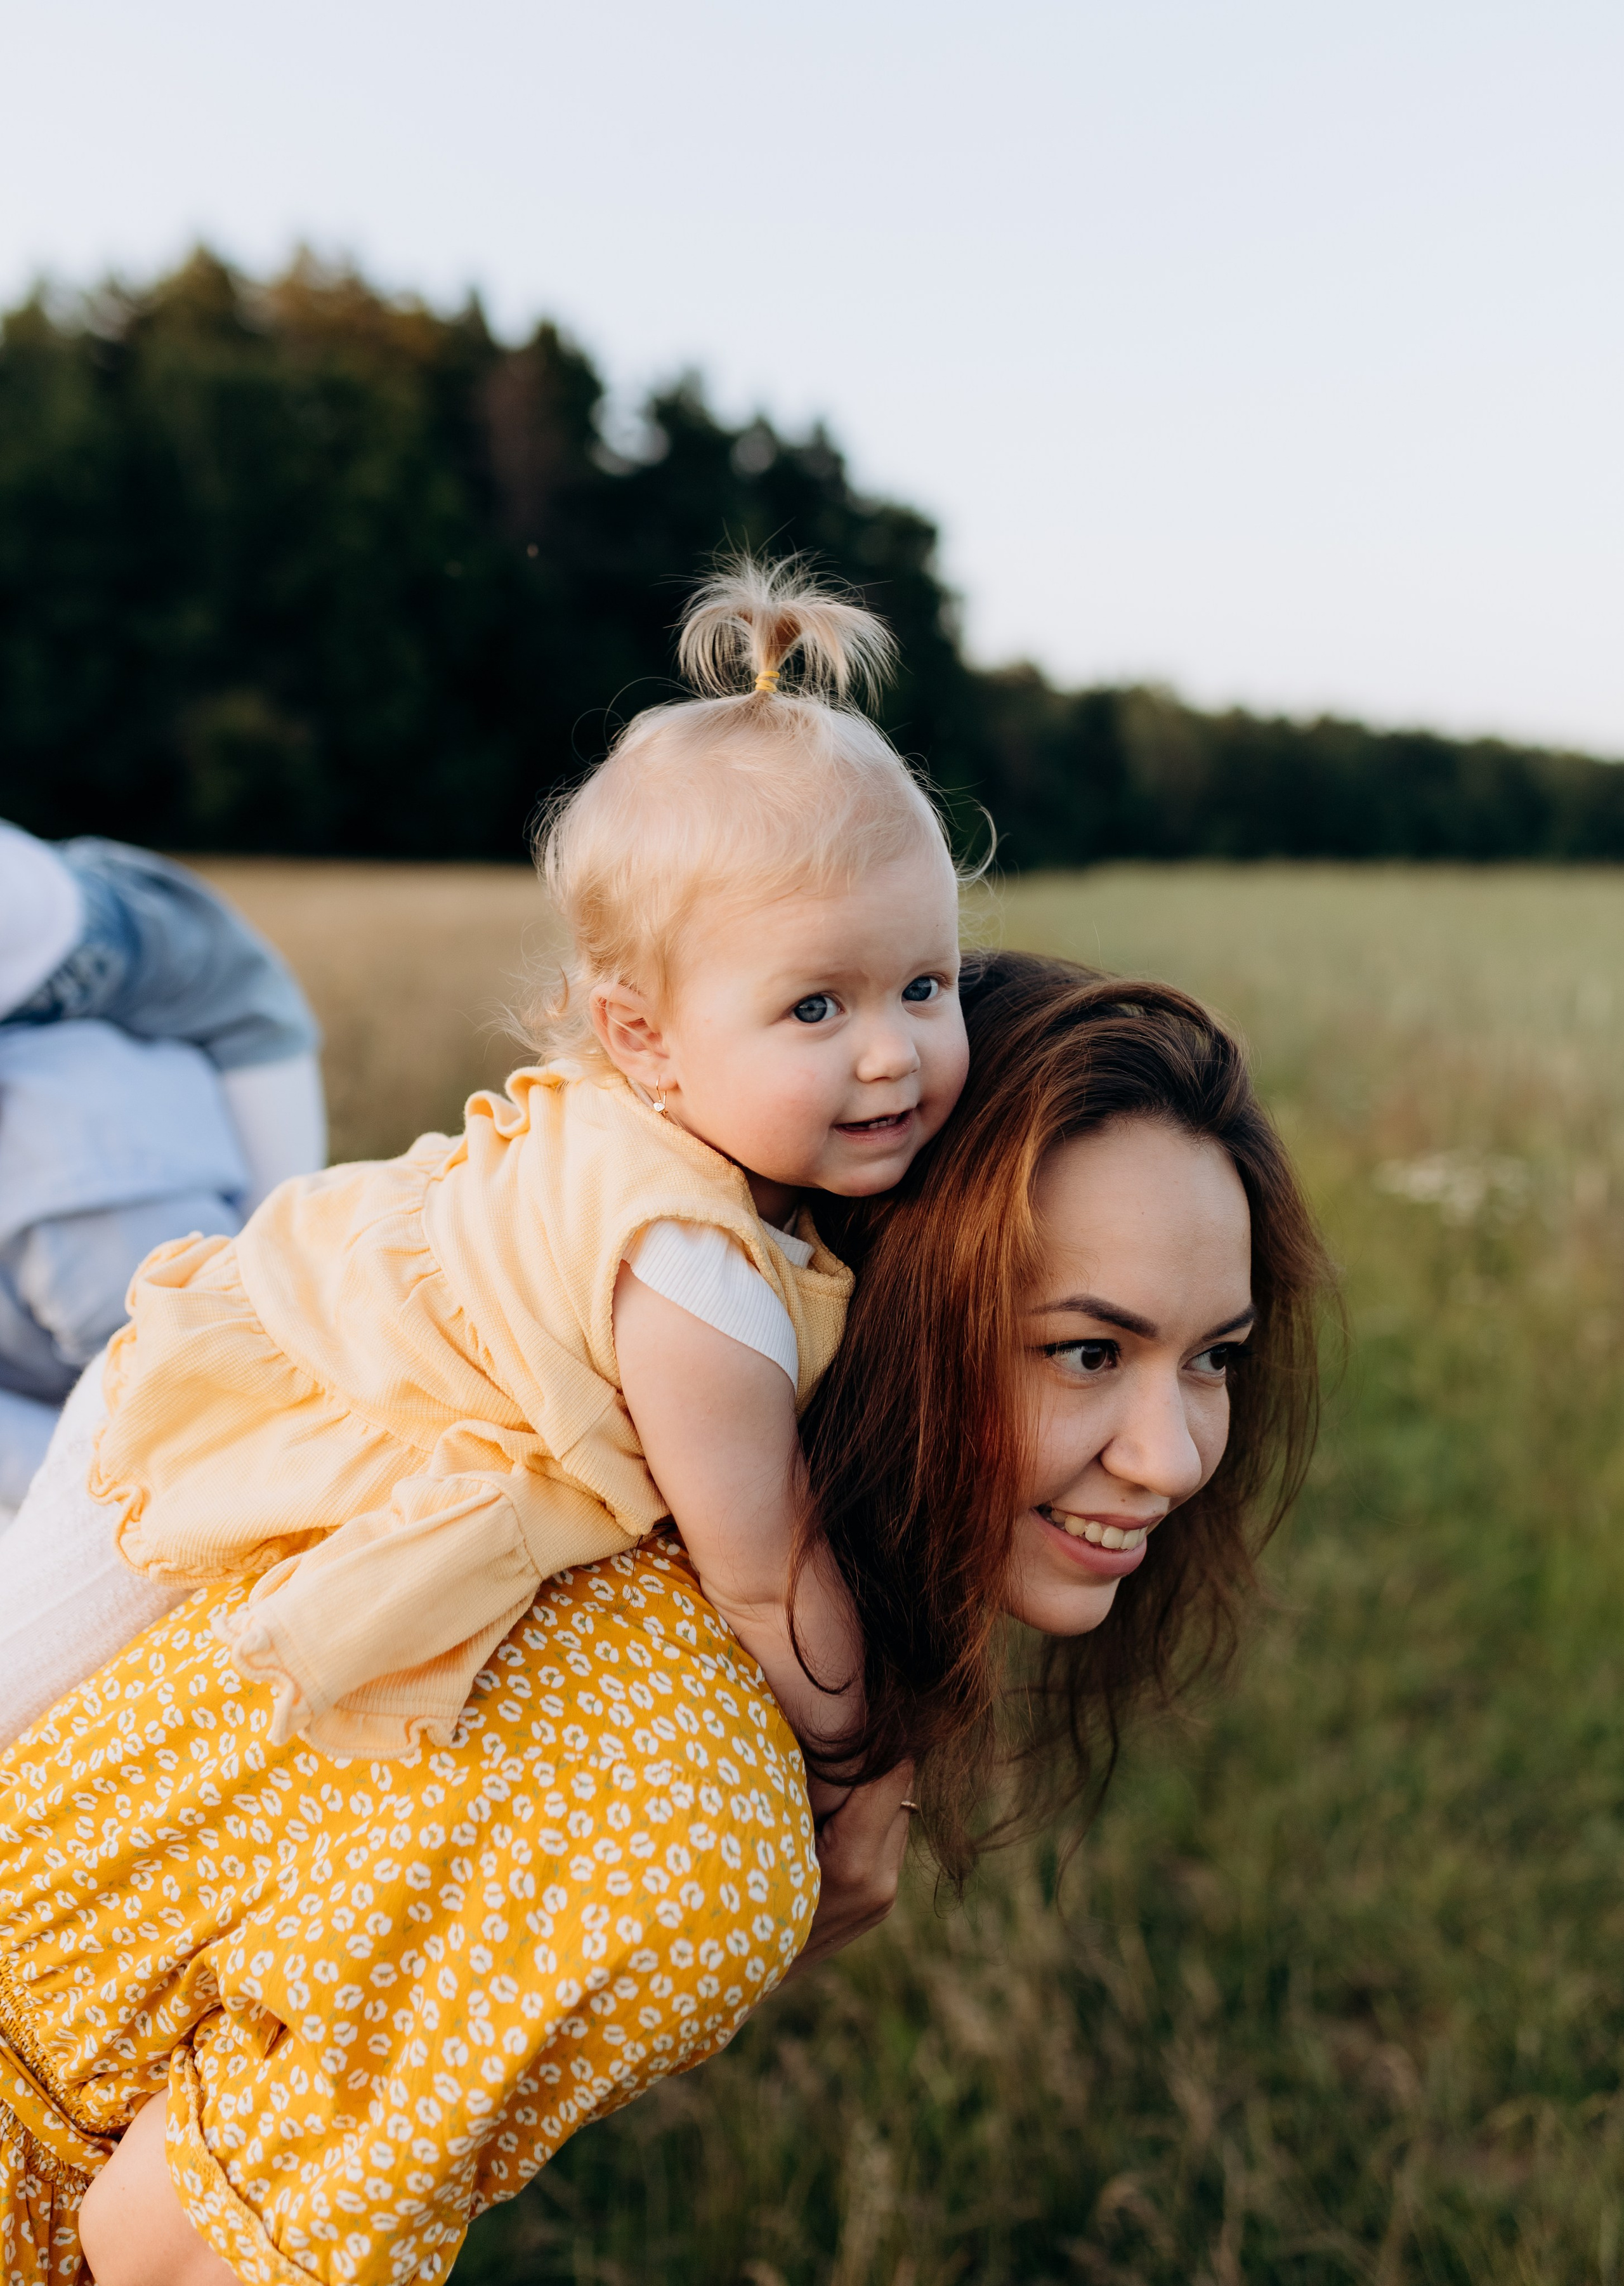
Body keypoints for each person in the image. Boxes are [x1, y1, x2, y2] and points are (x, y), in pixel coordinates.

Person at [0, 950, 1333, 2285]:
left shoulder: (601, 1523)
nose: (1170, 1455)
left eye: (1212, 1355)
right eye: (1085, 1351)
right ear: (881, 1298)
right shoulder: (673, 1779)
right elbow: (163, 2255)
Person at [0, 562, 967, 1782]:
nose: (893, 1051)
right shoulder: (685, 1270)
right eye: (817, 1005)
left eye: (924, 985)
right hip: (223, 1402)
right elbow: (766, 1574)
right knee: (22, 1702)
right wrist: (857, 1757)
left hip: (304, 1351)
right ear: (643, 1039)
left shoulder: (716, 1138)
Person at [0, 823, 325, 1515]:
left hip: (126, 945)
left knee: (277, 1279)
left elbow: (195, 1453)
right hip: (64, 914)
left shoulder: (84, 1192)